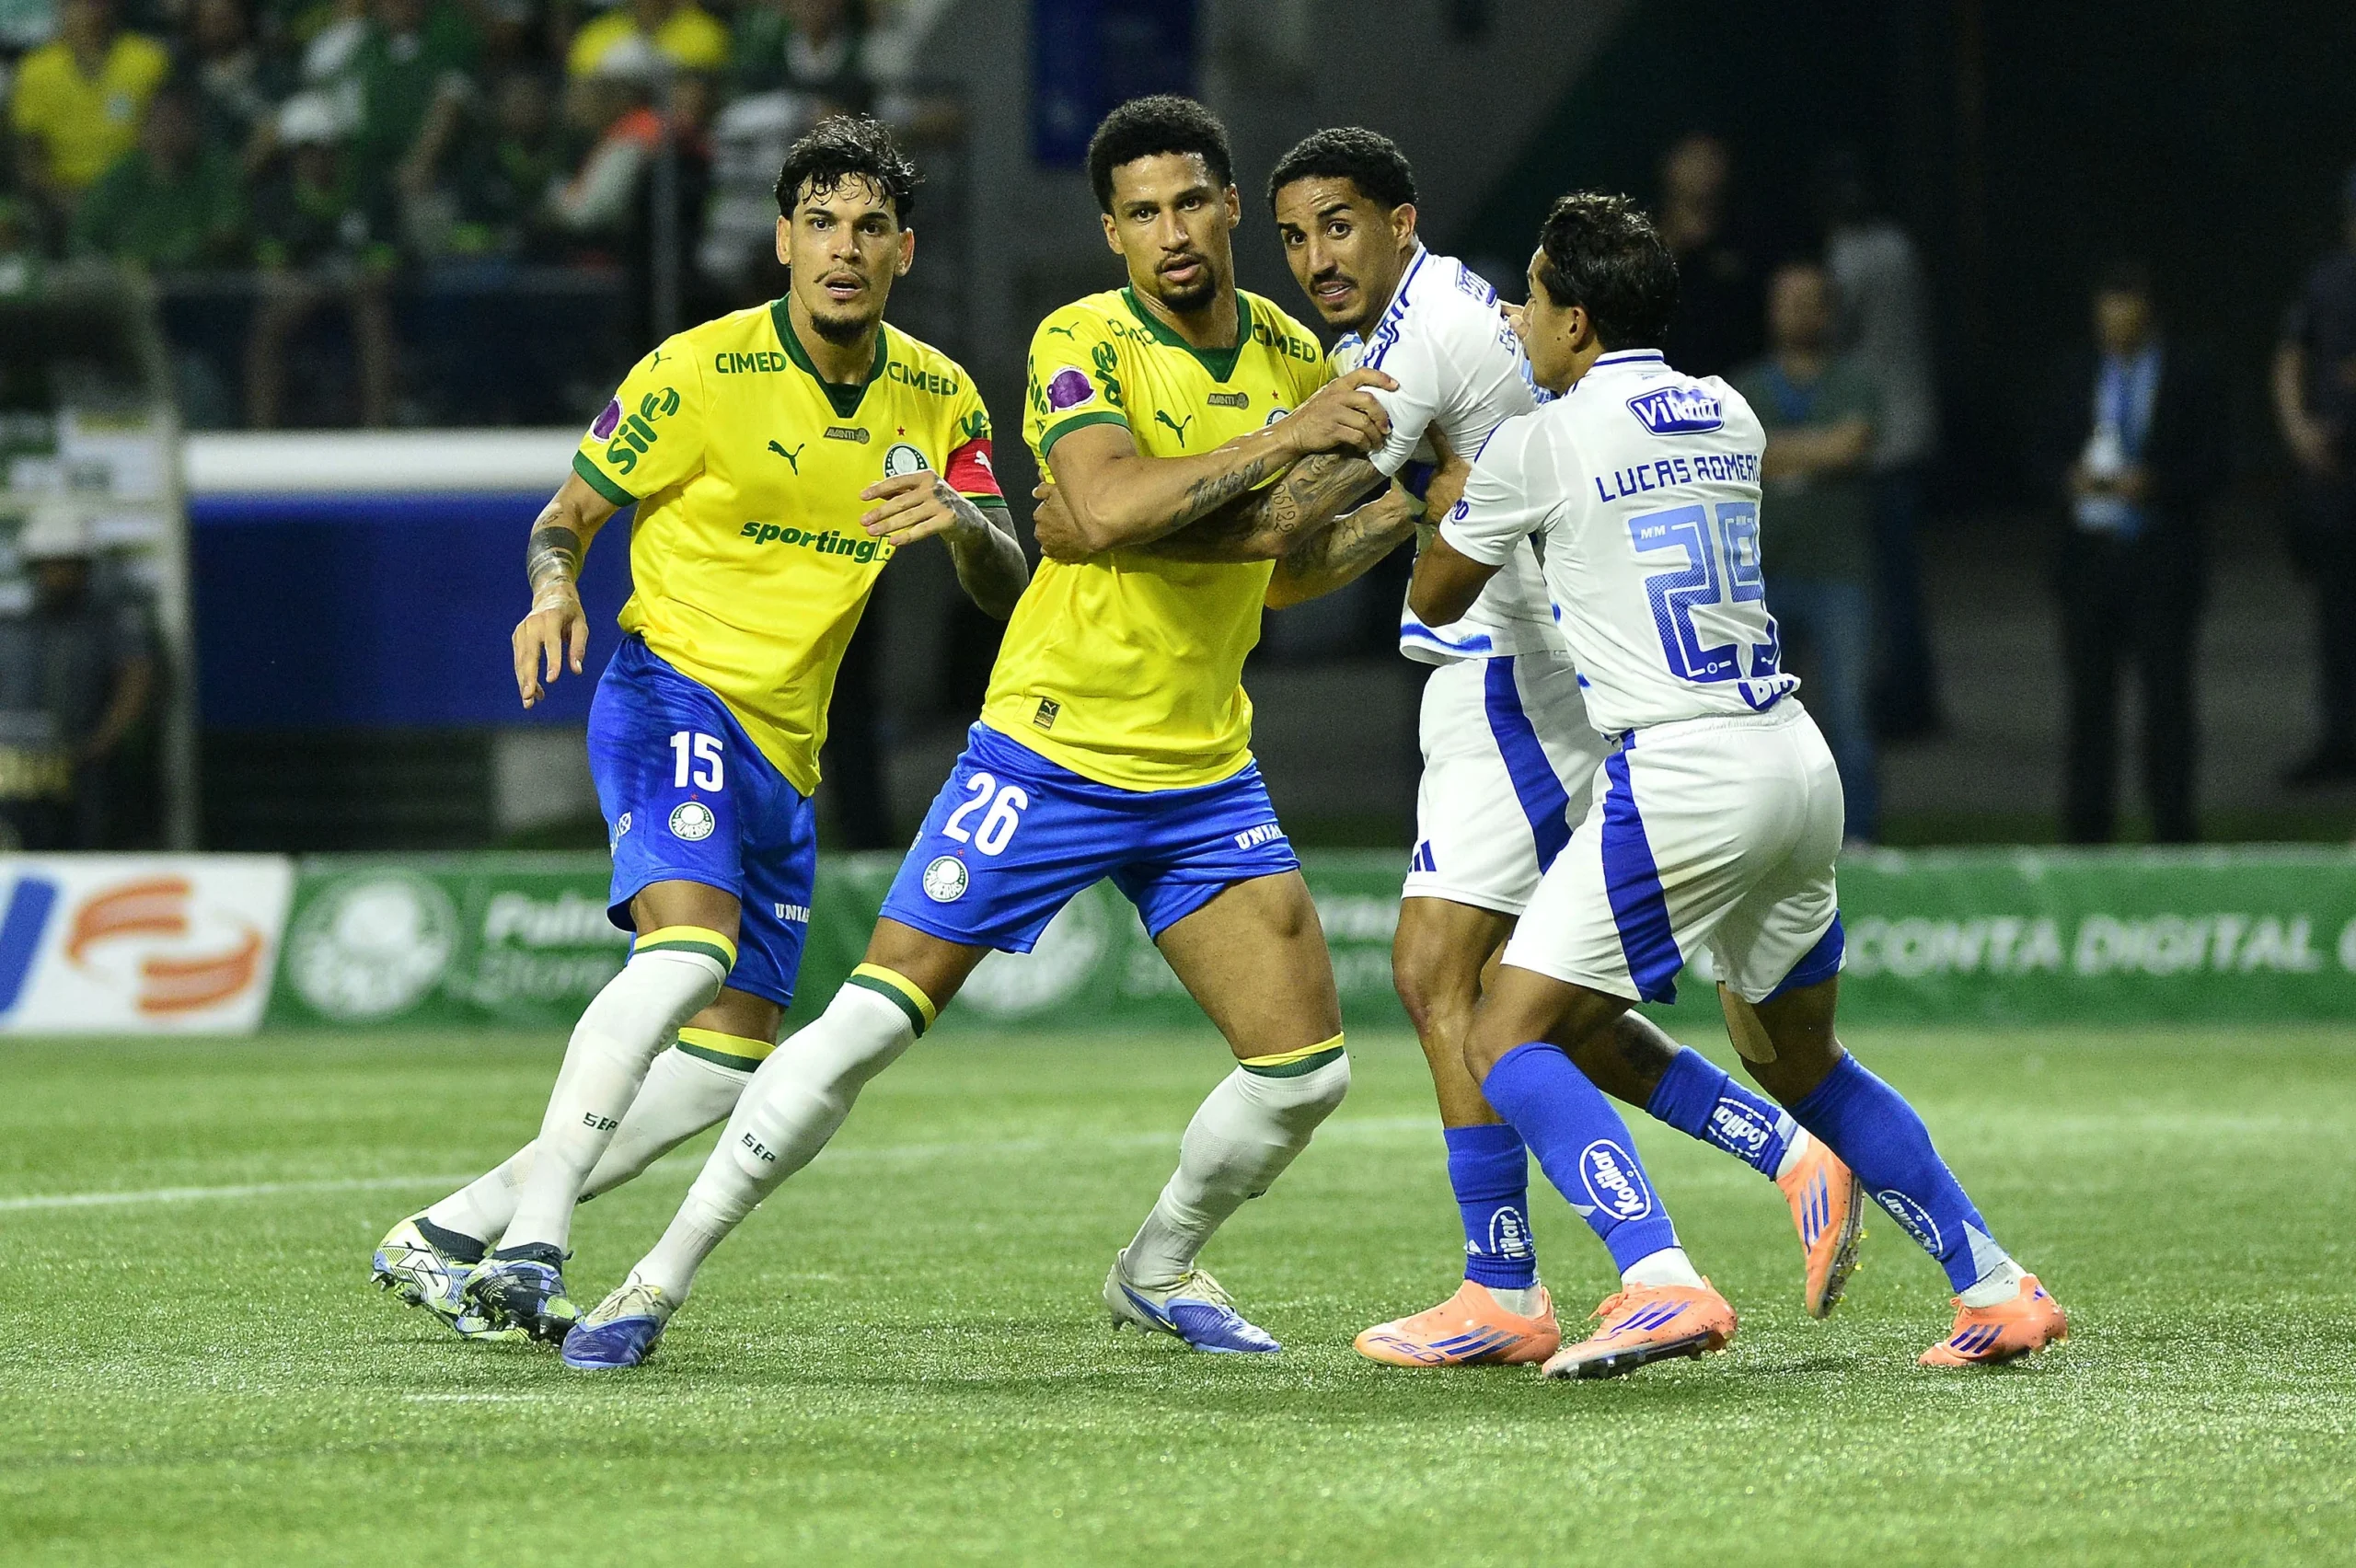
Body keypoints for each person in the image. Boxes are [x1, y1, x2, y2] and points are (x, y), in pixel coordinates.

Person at [553, 94, 1407, 1370]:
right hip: (1048, 749)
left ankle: (1158, 1265)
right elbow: (1101, 511)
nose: (1170, 232)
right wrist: (1290, 444)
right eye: (1140, 213)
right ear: (1110, 232)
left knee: (1306, 1074)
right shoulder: (1085, 337)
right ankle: (647, 1286)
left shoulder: (1291, 352)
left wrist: (1412, 511)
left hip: (1202, 769)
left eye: (1189, 203)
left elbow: (1281, 572)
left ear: (1231, 207)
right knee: (866, 1028)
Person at [1108, 125, 1856, 1371]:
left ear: (1401, 222)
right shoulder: (1435, 318)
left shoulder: (1419, 342)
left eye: (1338, 225)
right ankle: (1781, 1157)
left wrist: (1118, 523)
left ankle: (1528, 1282)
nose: (1315, 258)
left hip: (1510, 675)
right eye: (1293, 237)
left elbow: (1282, 539)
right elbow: (1318, 554)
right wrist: (1403, 505)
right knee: (1538, 1004)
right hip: (1524, 673)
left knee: (1438, 975)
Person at [368, 115, 1029, 1343]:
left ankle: (445, 1230)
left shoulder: (939, 393)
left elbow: (1006, 580)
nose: (843, 247)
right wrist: (554, 589)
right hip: (672, 690)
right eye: (820, 223)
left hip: (786, 752)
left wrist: (961, 521)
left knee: (727, 1062)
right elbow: (568, 514)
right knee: (685, 956)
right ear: (783, 241)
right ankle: (535, 1242)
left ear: (904, 251)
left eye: (869, 227)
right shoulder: (697, 371)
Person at [1409, 191, 2068, 1378]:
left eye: (1534, 299)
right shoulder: (1730, 408)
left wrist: (1446, 491)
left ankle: (1658, 1279)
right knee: (1798, 1059)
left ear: (1577, 319)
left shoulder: (1539, 441)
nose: (1517, 319)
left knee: (1502, 1029)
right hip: (1793, 759)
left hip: (1681, 771)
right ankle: (1994, 1284)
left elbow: (1435, 596)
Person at [2048, 262, 2224, 843]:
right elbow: (2039, 455)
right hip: (2089, 558)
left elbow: (2215, 464)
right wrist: (2068, 479)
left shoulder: (2187, 374)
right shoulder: (2075, 374)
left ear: (2148, 315)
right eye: (2107, 320)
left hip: (2160, 558)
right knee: (2089, 705)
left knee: (2167, 701)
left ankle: (2174, 830)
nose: (2115, 331)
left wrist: (2158, 484)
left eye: (2126, 319)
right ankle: (2086, 835)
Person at [1730, 261, 1880, 842]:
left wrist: (1776, 453)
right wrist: (1821, 449)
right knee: (1758, 723)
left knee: (1850, 718)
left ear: (1829, 312)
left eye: (1810, 302)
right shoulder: (1744, 387)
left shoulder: (1855, 381)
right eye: (1787, 301)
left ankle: (1860, 838)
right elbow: (1741, 458)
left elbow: (1853, 446)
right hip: (1759, 579)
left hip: (1840, 572)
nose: (1799, 313)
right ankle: (1768, 839)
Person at [1817, 148, 1943, 741]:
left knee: (1886, 582)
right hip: (1913, 423)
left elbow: (1834, 328)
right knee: (1903, 579)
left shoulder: (1848, 255)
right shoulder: (1899, 245)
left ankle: (1903, 703)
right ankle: (1917, 697)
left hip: (1878, 434)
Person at [0, 502, 155, 851]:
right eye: (49, 564)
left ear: (84, 566)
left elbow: (136, 676)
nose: (57, 574)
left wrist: (103, 741)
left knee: (88, 843)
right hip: (21, 769)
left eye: (67, 563)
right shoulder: (18, 624)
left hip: (87, 767)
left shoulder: (110, 622)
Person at [243, 90, 400, 427]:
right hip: (301, 294)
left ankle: (377, 428)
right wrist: (310, 288)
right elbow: (272, 274)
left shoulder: (369, 191)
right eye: (304, 151)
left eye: (322, 148)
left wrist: (351, 283)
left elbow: (383, 268)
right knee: (266, 328)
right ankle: (263, 430)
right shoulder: (276, 199)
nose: (314, 159)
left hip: (358, 294)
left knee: (375, 320)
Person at [2274, 165, 2356, 787]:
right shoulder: (2327, 280)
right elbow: (2289, 356)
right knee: (2337, 618)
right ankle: (2340, 739)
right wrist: (2299, 428)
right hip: (2336, 476)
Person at [7, 0, 171, 221]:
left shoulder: (149, 60)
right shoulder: (35, 70)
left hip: (137, 194)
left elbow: (167, 138)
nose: (90, 11)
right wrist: (63, 197)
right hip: (61, 200)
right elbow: (29, 158)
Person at [69, 80, 249, 269]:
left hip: (203, 279)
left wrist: (167, 261)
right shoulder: (123, 174)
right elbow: (85, 236)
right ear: (144, 129)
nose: (169, 133)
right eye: (161, 122)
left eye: (178, 123)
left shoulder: (215, 169)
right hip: (124, 279)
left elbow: (227, 230)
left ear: (195, 128)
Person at [1653, 132, 1758, 378]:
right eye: (1695, 159)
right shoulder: (1645, 235)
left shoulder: (1743, 239)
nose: (1705, 170)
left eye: (1713, 159)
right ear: (1670, 166)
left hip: (1729, 375)